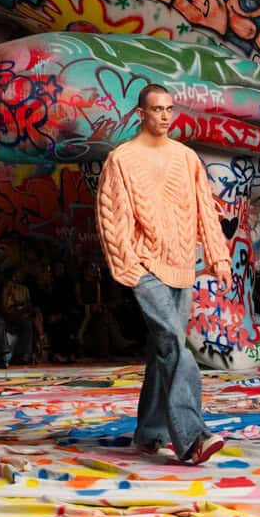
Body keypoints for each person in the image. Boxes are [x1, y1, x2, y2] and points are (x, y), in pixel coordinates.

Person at [96, 85, 232, 466]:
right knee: (173, 341)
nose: (165, 116)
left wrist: (219, 258)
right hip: (144, 266)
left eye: (170, 109)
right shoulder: (122, 160)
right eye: (157, 109)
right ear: (141, 113)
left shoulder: (186, 158)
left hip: (182, 265)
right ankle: (193, 437)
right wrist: (127, 264)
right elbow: (112, 216)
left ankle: (149, 433)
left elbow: (206, 210)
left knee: (162, 351)